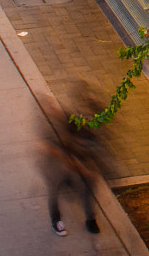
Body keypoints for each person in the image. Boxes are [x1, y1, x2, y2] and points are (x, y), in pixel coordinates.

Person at [39, 97, 103, 237]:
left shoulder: (68, 120)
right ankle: (56, 220)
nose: (52, 109)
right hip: (58, 165)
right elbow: (52, 150)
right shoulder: (48, 129)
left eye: (53, 107)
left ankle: (90, 219)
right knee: (55, 187)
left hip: (74, 161)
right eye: (48, 108)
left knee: (89, 186)